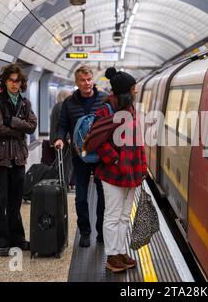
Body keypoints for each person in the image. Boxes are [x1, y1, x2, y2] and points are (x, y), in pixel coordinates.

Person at [86, 67, 147, 273]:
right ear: (125, 91)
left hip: (132, 172)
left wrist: (143, 165)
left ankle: (121, 251)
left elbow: (138, 141)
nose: (136, 91)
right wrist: (115, 161)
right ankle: (112, 256)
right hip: (112, 173)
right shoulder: (106, 110)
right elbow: (96, 140)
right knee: (112, 215)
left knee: (124, 216)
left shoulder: (130, 109)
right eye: (133, 88)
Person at [0, 64, 37, 256]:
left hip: (18, 159)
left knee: (15, 202)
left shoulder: (25, 103)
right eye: (11, 80)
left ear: (21, 83)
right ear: (5, 81)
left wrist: (12, 121)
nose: (15, 84)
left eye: (18, 81)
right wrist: (19, 128)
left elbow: (32, 126)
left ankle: (17, 238)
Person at [54, 65, 107, 247]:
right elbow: (62, 125)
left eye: (89, 79)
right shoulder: (69, 103)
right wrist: (60, 139)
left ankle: (101, 232)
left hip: (101, 156)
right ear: (76, 82)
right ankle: (85, 232)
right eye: (83, 80)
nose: (87, 83)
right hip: (79, 156)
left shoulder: (103, 99)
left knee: (103, 195)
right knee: (81, 196)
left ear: (93, 80)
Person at [49, 88, 73, 187]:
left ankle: (62, 184)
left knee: (62, 163)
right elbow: (62, 125)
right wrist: (68, 138)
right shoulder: (61, 107)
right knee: (65, 164)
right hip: (62, 141)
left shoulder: (57, 105)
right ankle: (63, 185)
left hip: (59, 140)